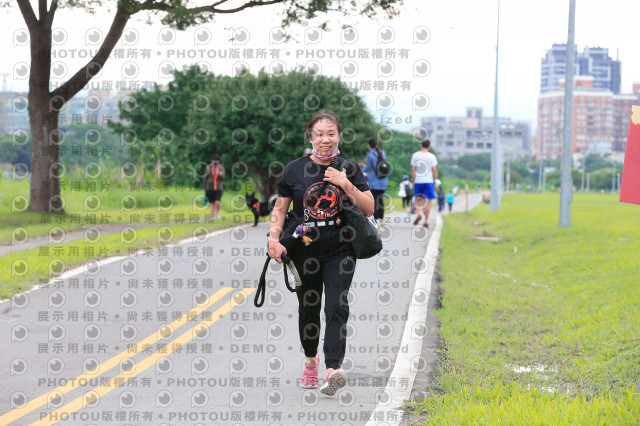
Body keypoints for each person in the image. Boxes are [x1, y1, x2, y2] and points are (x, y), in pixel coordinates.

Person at [268, 109, 374, 396]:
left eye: (331, 134)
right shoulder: (294, 169)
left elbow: (369, 207)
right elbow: (280, 209)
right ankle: (311, 360)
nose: (325, 140)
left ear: (339, 135)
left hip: (341, 250)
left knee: (337, 306)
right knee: (309, 309)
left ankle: (332, 369)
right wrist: (274, 240)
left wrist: (345, 183)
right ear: (310, 137)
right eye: (319, 134)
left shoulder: (349, 168)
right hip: (304, 252)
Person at [410, 139, 438, 228]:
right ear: (429, 147)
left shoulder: (415, 155)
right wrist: (436, 182)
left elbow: (413, 168)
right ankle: (426, 221)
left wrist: (413, 180)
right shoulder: (432, 156)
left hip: (418, 180)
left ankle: (420, 214)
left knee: (418, 200)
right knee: (428, 201)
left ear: (421, 145)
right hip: (429, 180)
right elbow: (434, 170)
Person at [366, 138, 388, 226]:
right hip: (383, 181)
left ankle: (374, 219)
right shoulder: (382, 153)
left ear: (369, 145)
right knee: (381, 200)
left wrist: (363, 167)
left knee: (374, 201)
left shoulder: (370, 154)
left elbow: (369, 168)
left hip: (374, 182)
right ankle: (382, 220)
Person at [203, 153, 225, 219]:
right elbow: (205, 178)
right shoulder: (208, 167)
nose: (215, 161)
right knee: (212, 203)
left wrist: (221, 175)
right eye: (214, 160)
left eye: (216, 160)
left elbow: (223, 176)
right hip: (209, 187)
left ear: (218, 161)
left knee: (217, 202)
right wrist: (205, 188)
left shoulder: (221, 167)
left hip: (219, 187)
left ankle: (217, 213)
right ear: (211, 160)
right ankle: (213, 216)